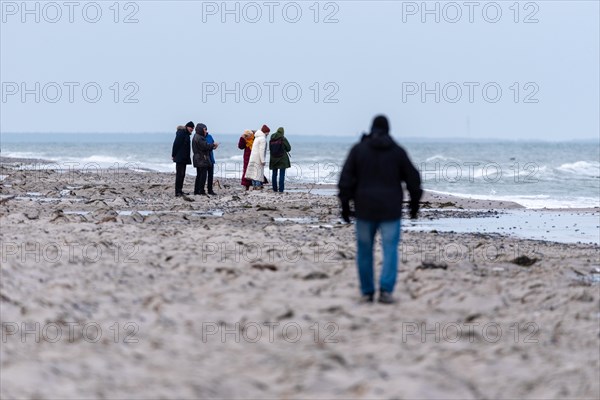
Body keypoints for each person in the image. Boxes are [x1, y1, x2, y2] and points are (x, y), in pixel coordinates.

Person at [338, 115, 422, 304]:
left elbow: (345, 179)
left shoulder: (358, 150)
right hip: (390, 210)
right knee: (390, 249)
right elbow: (413, 179)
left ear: (372, 128)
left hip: (364, 208)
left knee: (364, 250)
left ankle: (367, 291)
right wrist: (414, 206)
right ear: (388, 130)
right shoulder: (397, 152)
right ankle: (385, 290)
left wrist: (345, 206)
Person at [192, 123, 218, 196]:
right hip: (201, 158)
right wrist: (213, 145)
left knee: (200, 175)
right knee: (202, 175)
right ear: (201, 129)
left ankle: (197, 191)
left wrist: (212, 145)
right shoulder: (199, 137)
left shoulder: (196, 136)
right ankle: (201, 191)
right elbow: (205, 146)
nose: (206, 131)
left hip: (199, 158)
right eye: (204, 129)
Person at [172, 121, 194, 197]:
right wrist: (173, 154)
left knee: (182, 175)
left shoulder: (186, 134)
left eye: (193, 128)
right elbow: (176, 144)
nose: (192, 129)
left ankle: (180, 191)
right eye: (191, 127)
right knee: (179, 175)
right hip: (179, 157)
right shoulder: (181, 133)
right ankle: (177, 192)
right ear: (187, 127)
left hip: (184, 158)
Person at [246, 125, 270, 189]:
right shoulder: (263, 139)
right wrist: (263, 160)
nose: (268, 134)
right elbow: (261, 150)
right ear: (265, 132)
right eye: (268, 132)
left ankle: (254, 186)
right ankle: (258, 186)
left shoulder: (256, 138)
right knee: (258, 173)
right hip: (258, 158)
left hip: (253, 157)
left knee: (254, 173)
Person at [268, 127, 291, 193]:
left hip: (273, 158)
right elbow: (289, 148)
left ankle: (274, 189)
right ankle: (281, 190)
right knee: (282, 175)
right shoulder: (283, 138)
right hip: (282, 159)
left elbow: (270, 148)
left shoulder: (272, 138)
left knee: (274, 174)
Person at [205, 128, 218, 195]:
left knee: (210, 175)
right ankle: (200, 189)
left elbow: (212, 145)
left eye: (206, 130)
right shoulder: (201, 137)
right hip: (204, 159)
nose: (205, 131)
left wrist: (215, 145)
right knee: (203, 175)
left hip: (210, 158)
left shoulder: (209, 136)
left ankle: (210, 190)